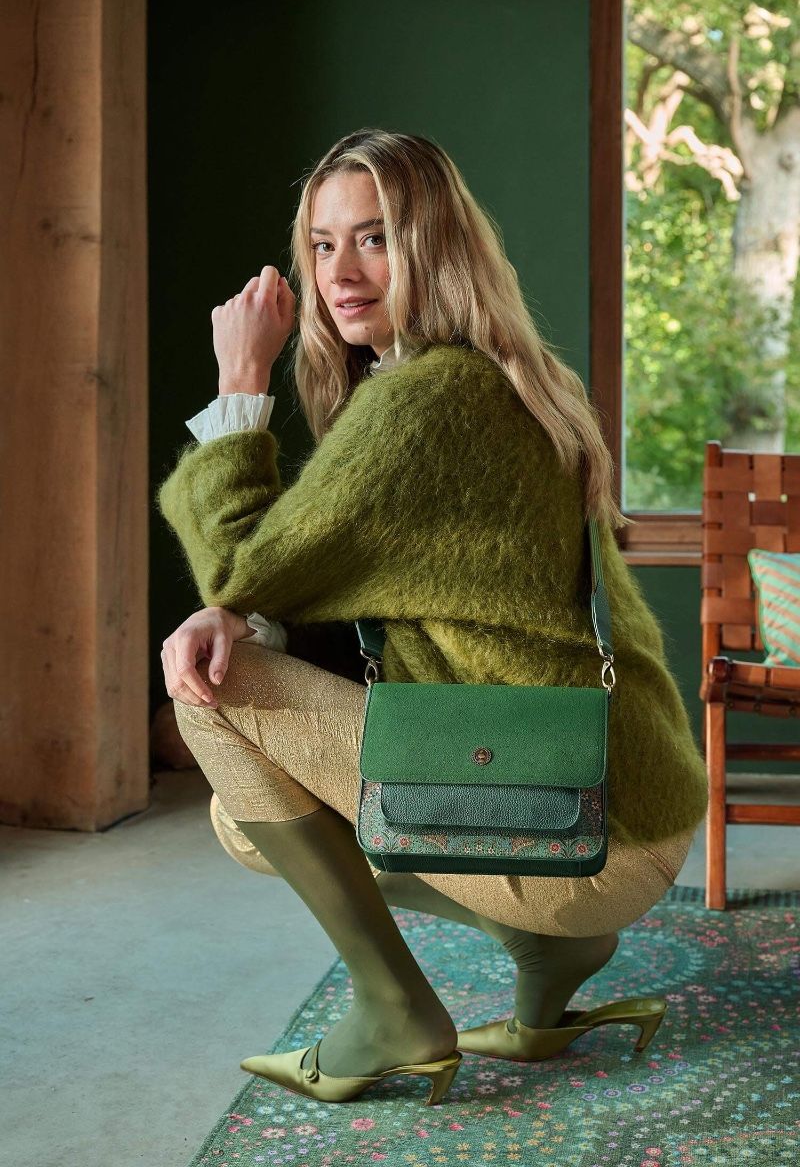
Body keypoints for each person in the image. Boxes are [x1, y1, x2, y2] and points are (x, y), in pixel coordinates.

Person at [157, 128, 709, 1106]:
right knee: (245, 768)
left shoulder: (424, 402)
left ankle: (393, 1011)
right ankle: (554, 955)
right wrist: (249, 612)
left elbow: (240, 569)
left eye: (374, 238)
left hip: (578, 832)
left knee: (212, 688)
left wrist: (239, 380)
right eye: (322, 245)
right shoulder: (510, 375)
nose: (339, 273)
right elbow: (345, 599)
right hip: (625, 803)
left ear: (432, 245)